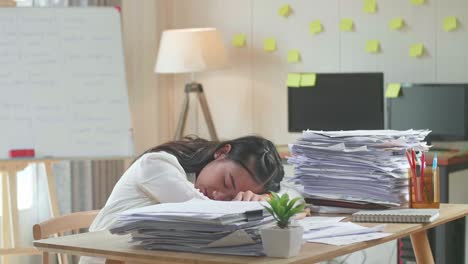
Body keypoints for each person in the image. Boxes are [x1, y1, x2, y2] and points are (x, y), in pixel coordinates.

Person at [79, 135, 284, 264]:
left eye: (232, 196)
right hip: (109, 258)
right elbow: (203, 212)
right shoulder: (156, 164)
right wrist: (261, 203)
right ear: (221, 152)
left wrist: (263, 198)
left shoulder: (197, 181)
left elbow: (294, 198)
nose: (220, 196)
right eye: (225, 181)